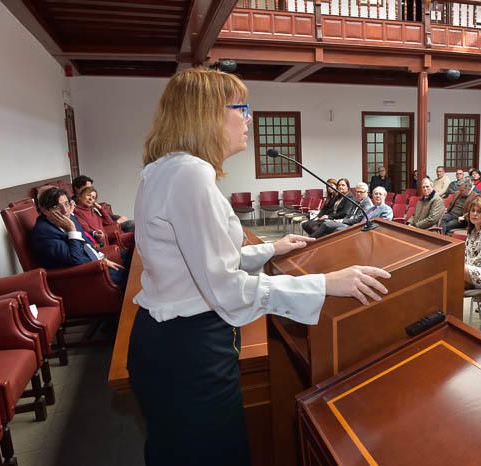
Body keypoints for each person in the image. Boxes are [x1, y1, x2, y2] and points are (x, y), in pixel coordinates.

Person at [127, 68, 390, 466]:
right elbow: (225, 289)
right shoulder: (190, 175)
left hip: (167, 341)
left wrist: (269, 250)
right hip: (190, 349)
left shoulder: (165, 168)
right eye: (241, 108)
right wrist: (323, 284)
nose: (248, 118)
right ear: (209, 114)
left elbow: (195, 260)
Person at [31, 187, 128, 289]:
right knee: (130, 278)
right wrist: (72, 230)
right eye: (57, 206)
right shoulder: (44, 233)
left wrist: (101, 258)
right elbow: (75, 260)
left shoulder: (70, 217)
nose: (65, 211)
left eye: (66, 204)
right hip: (81, 275)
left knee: (132, 257)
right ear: (45, 210)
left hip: (93, 261)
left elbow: (85, 242)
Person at [73, 185, 135, 250]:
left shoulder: (93, 211)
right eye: (88, 195)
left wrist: (100, 208)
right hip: (100, 243)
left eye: (93, 197)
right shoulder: (77, 211)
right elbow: (86, 229)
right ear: (80, 196)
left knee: (135, 236)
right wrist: (97, 235)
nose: (91, 198)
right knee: (133, 232)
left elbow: (109, 221)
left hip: (107, 240)